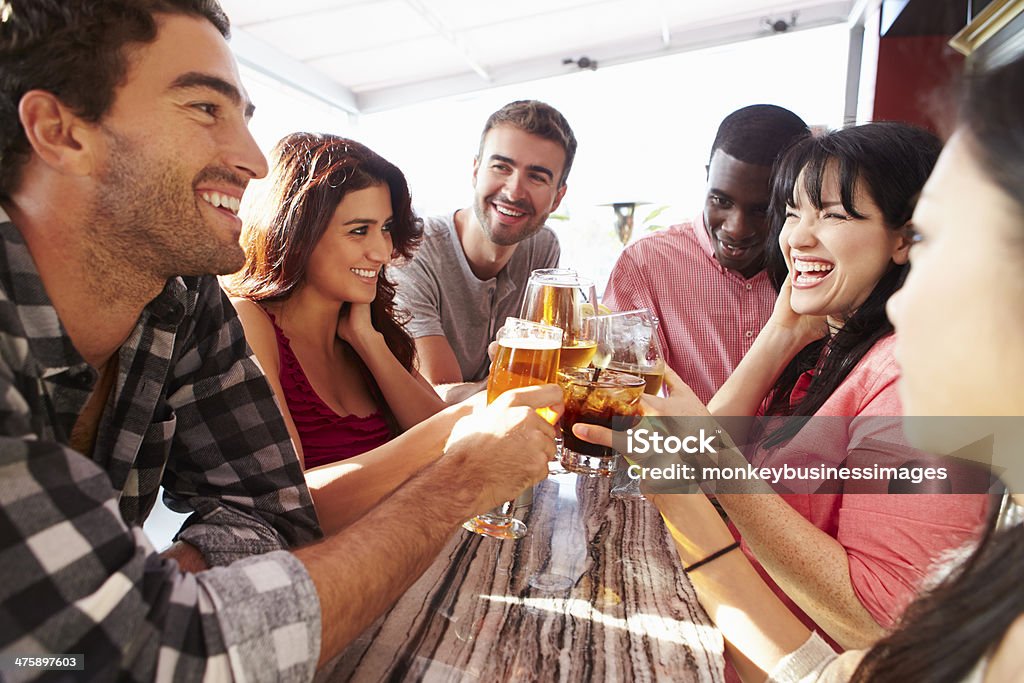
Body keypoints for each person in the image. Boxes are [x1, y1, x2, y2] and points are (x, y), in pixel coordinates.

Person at [0, 2, 561, 679]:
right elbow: (144, 658)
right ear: (58, 131)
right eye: (205, 108)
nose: (254, 160)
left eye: (244, 117)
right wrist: (458, 478)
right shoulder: (238, 310)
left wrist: (164, 600)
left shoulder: (180, 302)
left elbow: (271, 510)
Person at [580, 121, 992, 662]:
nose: (796, 236)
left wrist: (713, 458)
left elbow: (884, 626)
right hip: (714, 633)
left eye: (835, 214)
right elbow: (688, 470)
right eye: (794, 211)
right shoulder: (834, 352)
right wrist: (779, 336)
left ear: (906, 237)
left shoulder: (924, 379)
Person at [225, 133, 445, 469]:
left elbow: (454, 441)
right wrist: (421, 456)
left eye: (386, 228)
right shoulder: (250, 321)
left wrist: (370, 345)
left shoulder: (368, 329)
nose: (383, 252)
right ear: (297, 233)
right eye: (359, 230)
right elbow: (290, 496)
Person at [603, 105, 810, 403]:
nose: (736, 229)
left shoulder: (819, 269)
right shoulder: (646, 264)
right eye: (720, 200)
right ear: (708, 176)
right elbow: (617, 399)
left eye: (762, 210)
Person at [391, 100, 576, 402]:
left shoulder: (542, 247)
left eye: (537, 176)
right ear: (476, 171)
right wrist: (518, 387)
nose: (514, 191)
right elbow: (438, 397)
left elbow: (543, 369)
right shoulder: (414, 250)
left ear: (557, 198)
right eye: (501, 167)